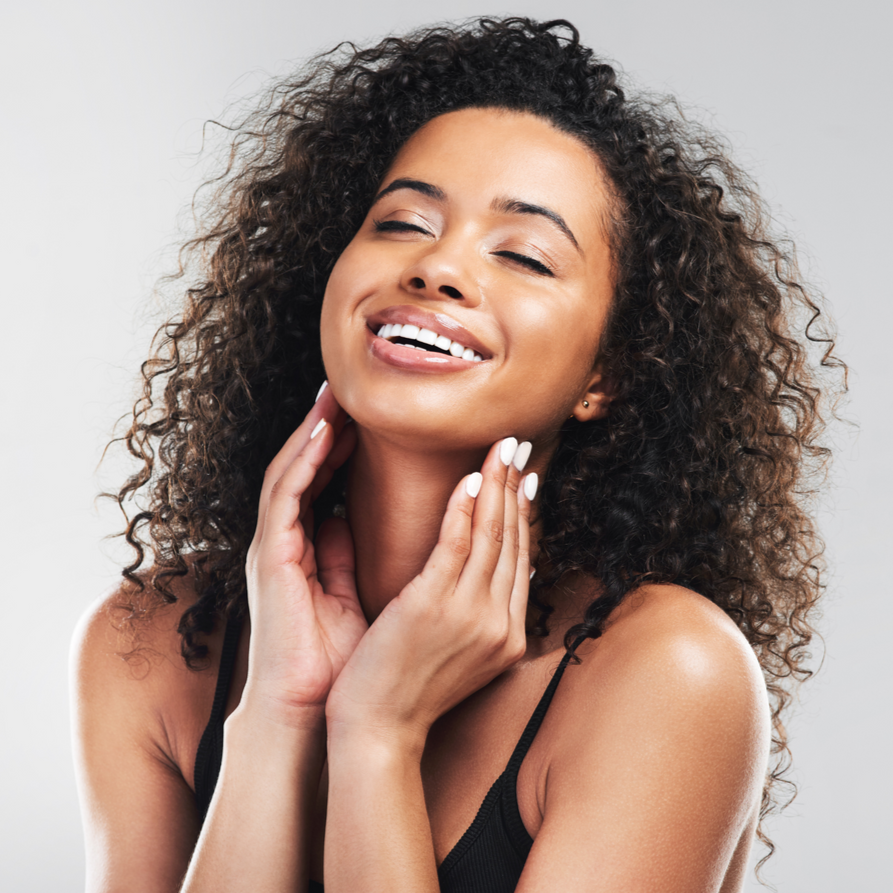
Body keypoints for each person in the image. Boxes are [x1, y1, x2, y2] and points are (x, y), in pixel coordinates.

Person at [71, 17, 843, 893]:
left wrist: (377, 730)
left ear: (606, 373)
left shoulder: (665, 670)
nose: (437, 268)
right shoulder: (152, 646)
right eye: (401, 223)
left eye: (522, 253)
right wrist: (276, 718)